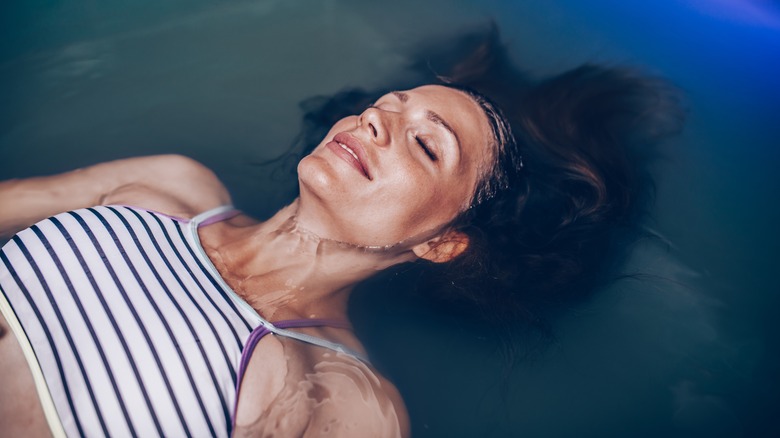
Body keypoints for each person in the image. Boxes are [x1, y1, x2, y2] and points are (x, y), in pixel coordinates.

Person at [0, 29, 680, 438]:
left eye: (426, 147)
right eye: (388, 107)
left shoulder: (343, 396)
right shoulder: (170, 187)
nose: (377, 121)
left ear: (443, 242)